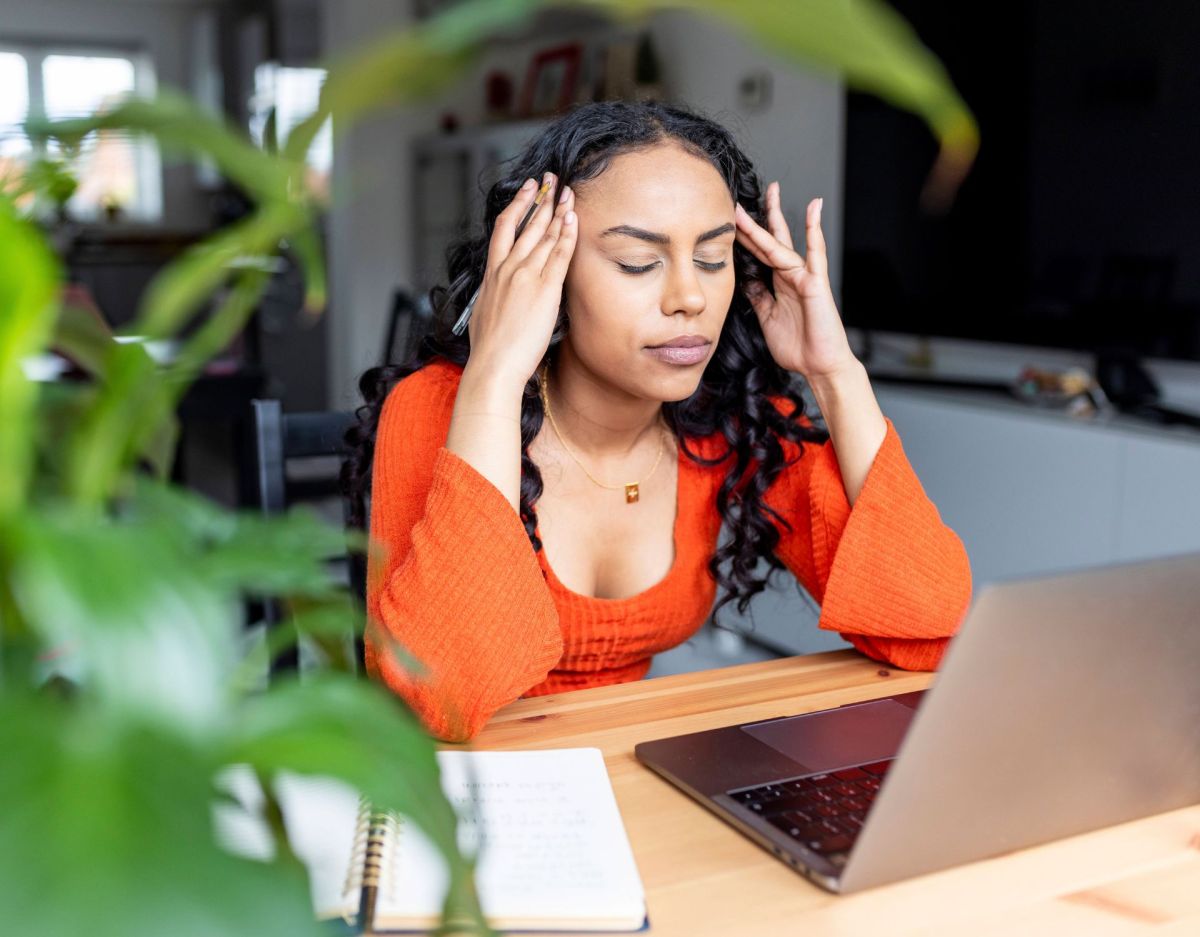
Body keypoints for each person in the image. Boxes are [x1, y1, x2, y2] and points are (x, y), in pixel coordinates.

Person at [345, 100, 972, 743]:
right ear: (543, 272)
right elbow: (436, 703)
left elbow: (926, 632)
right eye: (637, 264)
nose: (690, 299)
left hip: (633, 781)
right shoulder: (444, 408)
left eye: (711, 258)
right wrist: (495, 373)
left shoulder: (734, 417)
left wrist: (837, 374)